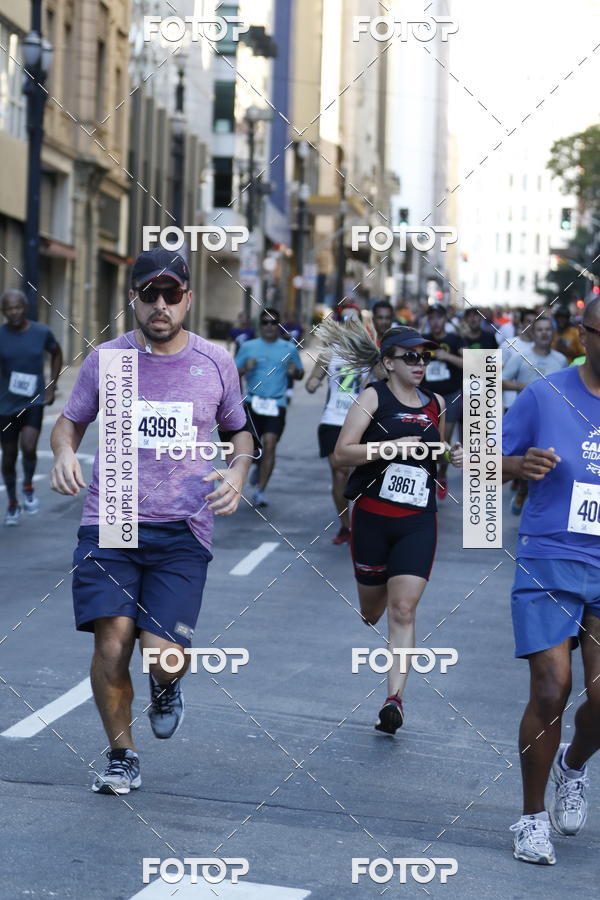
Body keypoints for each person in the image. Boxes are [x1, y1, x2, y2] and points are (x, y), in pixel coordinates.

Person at [50, 248, 254, 795]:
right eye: (148, 295)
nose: (159, 305)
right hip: (112, 515)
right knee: (112, 643)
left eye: (171, 294)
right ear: (133, 299)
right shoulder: (109, 360)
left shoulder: (215, 362)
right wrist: (65, 452)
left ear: (187, 298)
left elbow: (241, 433)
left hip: (183, 527)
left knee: (163, 658)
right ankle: (122, 754)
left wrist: (238, 471)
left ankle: (166, 686)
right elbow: (69, 423)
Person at [321, 321, 462, 733]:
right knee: (372, 612)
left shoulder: (435, 401)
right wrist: (390, 447)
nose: (420, 364)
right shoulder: (372, 396)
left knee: (403, 609)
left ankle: (394, 699)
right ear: (388, 363)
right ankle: (375, 598)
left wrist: (449, 454)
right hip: (373, 519)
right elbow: (341, 455)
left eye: (425, 357)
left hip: (417, 520)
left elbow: (438, 450)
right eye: (410, 357)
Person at [503, 296, 600, 866]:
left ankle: (573, 764)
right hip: (550, 557)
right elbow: (483, 458)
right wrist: (519, 466)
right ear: (583, 335)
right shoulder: (545, 394)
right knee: (551, 688)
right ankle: (531, 818)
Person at [305, 302, 367, 544]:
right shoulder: (329, 353)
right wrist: (311, 383)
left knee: (355, 475)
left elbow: (380, 380)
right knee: (339, 472)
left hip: (359, 421)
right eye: (346, 321)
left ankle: (360, 520)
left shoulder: (368, 353)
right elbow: (312, 383)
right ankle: (346, 526)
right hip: (332, 420)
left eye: (355, 321)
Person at [0, 289, 63, 525]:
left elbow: (56, 353)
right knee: (8, 457)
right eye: (8, 308)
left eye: (17, 307)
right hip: (5, 405)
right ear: (3, 311)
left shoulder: (41, 332)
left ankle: (27, 486)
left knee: (28, 446)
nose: (13, 312)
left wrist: (51, 386)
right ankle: (13, 504)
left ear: (25, 308)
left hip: (33, 401)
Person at [236, 307, 304, 507]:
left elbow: (299, 373)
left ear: (279, 326)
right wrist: (244, 368)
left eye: (273, 322)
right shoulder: (248, 347)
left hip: (276, 403)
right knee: (253, 449)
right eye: (265, 322)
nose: (269, 326)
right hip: (252, 402)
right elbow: (232, 372)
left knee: (271, 444)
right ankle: (258, 466)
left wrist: (294, 372)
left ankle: (260, 490)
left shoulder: (288, 349)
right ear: (260, 325)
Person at [502, 316, 568, 514]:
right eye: (540, 330)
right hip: (525, 420)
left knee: (547, 461)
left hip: (552, 419)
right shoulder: (520, 356)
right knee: (525, 460)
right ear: (533, 333)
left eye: (548, 329)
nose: (544, 333)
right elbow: (500, 381)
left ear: (553, 333)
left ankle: (540, 497)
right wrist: (524, 387)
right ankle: (523, 490)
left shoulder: (561, 359)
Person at [421, 304, 464, 499]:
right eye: (432, 317)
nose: (435, 321)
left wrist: (446, 356)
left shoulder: (454, 340)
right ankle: (426, 476)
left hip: (450, 395)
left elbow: (470, 363)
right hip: (426, 395)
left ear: (445, 319)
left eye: (439, 317)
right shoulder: (422, 340)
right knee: (425, 437)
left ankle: (442, 474)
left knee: (443, 440)